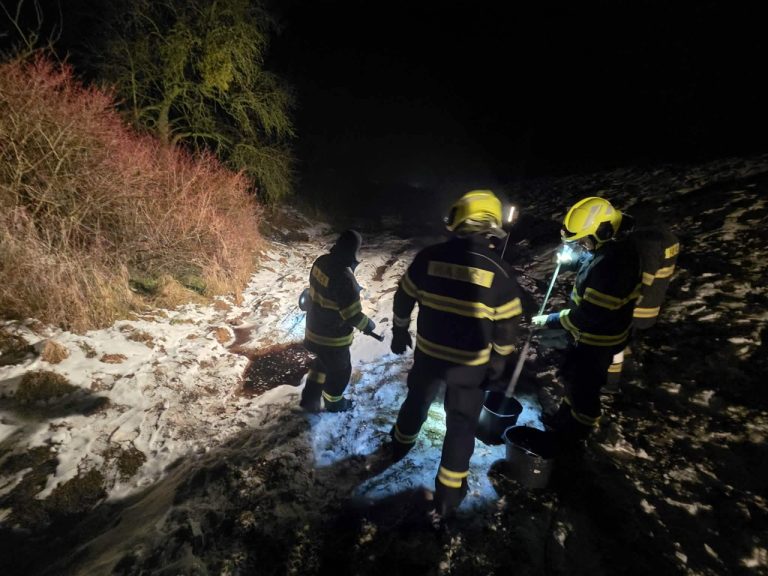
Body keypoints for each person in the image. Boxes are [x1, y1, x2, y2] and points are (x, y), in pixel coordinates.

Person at [388, 189, 524, 519]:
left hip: (429, 356)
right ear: (491, 227)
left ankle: (400, 444)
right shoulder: (501, 274)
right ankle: (449, 494)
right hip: (470, 367)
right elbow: (508, 327)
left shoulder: (427, 258)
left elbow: (403, 298)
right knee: (461, 426)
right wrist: (500, 360)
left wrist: (399, 331)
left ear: (458, 221)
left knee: (417, 401)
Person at [531, 197, 642, 443]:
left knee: (585, 391)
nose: (582, 245)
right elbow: (591, 261)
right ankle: (563, 419)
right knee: (574, 381)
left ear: (603, 231)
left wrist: (550, 320)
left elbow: (587, 316)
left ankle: (573, 436)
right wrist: (573, 261)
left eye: (584, 240)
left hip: (598, 341)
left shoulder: (614, 266)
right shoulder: (609, 249)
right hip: (588, 337)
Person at [300, 229, 376, 413]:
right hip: (333, 339)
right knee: (340, 372)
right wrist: (368, 325)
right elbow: (352, 315)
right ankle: (335, 403)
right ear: (354, 251)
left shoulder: (321, 262)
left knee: (321, 364)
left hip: (313, 329)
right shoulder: (345, 278)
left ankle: (309, 398)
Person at [605, 220, 681, 389]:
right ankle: (629, 367)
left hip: (635, 308)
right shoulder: (670, 238)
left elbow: (644, 277)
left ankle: (610, 383)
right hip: (651, 306)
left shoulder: (648, 241)